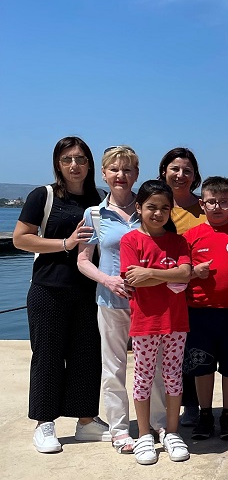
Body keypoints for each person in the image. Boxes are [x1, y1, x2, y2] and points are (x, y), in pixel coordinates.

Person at [13, 136, 108, 453]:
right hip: (48, 289)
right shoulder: (44, 195)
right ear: (58, 164)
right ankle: (44, 423)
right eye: (67, 159)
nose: (74, 165)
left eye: (80, 159)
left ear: (90, 163)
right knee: (48, 356)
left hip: (88, 290)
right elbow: (21, 239)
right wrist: (64, 244)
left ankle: (86, 422)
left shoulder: (100, 198)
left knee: (87, 355)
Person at [77, 145, 168, 454]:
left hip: (150, 306)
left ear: (137, 175)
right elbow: (83, 260)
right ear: (104, 173)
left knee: (153, 367)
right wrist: (108, 279)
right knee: (113, 367)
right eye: (115, 169)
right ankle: (119, 429)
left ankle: (157, 422)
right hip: (111, 304)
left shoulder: (151, 210)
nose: (121, 175)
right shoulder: (93, 214)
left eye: (127, 170)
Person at [119, 180, 193, 465]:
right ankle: (145, 434)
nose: (158, 213)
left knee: (173, 377)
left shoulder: (178, 241)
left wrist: (152, 273)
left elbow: (185, 274)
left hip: (176, 321)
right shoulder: (131, 240)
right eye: (151, 207)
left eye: (164, 208)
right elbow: (131, 277)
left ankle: (172, 432)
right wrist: (169, 272)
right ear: (139, 208)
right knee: (143, 377)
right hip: (145, 321)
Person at [183, 176, 228, 441]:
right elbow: (180, 271)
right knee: (202, 367)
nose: (218, 207)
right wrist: (192, 273)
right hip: (199, 311)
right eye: (211, 202)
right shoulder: (191, 236)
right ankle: (205, 414)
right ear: (202, 203)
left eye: (223, 202)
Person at [158, 147, 205, 426]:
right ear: (164, 171)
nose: (180, 175)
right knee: (164, 355)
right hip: (163, 293)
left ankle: (193, 404)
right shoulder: (156, 206)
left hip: (198, 293)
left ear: (195, 175)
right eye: (174, 169)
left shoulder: (204, 207)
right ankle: (169, 406)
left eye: (187, 170)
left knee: (193, 352)